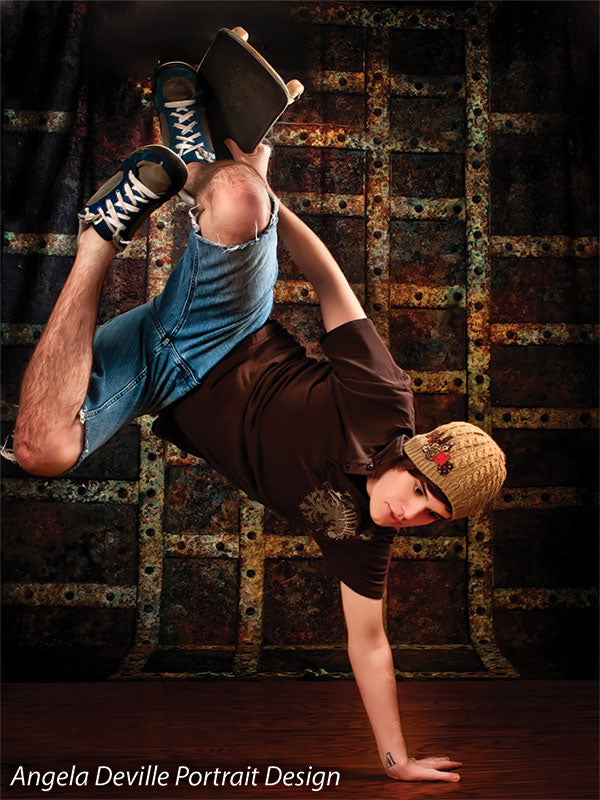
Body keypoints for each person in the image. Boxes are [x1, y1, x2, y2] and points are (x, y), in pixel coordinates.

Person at [9, 61, 507, 784]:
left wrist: (396, 762)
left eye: (433, 516)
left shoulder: (363, 539)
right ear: (415, 453)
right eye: (422, 488)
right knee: (241, 199)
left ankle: (100, 235)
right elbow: (329, 281)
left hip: (157, 380)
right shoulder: (384, 400)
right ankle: (208, 165)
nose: (412, 513)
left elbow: (370, 646)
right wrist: (269, 198)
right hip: (222, 324)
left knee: (41, 451)